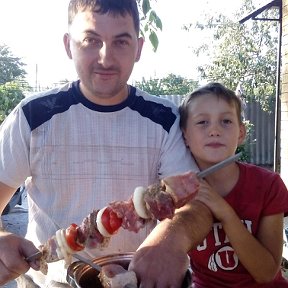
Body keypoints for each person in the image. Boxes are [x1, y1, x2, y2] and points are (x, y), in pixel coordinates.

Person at [0, 0, 213, 287]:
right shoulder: (33, 116)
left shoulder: (164, 119)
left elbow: (199, 204)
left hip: (140, 279)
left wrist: (171, 240)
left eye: (121, 42)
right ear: (68, 45)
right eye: (91, 40)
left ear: (138, 48)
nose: (106, 57)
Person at [178, 82, 288, 287]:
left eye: (226, 121)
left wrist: (224, 211)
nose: (215, 130)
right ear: (185, 135)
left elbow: (266, 273)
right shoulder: (178, 190)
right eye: (202, 122)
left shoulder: (268, 185)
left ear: (241, 133)